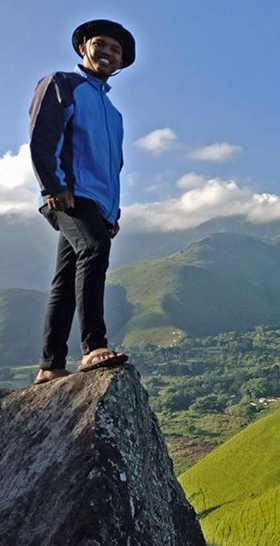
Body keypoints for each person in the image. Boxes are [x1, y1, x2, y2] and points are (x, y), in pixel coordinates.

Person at [29, 20, 135, 385]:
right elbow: (43, 136)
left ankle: (51, 365)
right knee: (94, 249)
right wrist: (52, 186)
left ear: (120, 63)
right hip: (69, 194)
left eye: (116, 50)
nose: (107, 52)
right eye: (100, 44)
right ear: (83, 48)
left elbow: (113, 166)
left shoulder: (114, 113)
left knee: (65, 278)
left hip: (97, 203)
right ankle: (94, 346)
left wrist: (112, 212)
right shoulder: (63, 84)